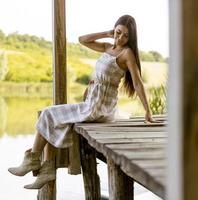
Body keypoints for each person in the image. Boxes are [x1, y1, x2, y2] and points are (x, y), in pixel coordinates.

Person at [8, 14, 155, 189]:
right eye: (118, 32)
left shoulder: (126, 53)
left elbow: (137, 82)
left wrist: (148, 110)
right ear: (113, 30)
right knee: (54, 118)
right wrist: (107, 33)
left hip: (99, 107)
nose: (121, 38)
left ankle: (33, 159)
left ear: (131, 39)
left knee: (49, 113)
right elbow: (82, 40)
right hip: (93, 103)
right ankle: (45, 169)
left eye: (126, 35)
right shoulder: (108, 47)